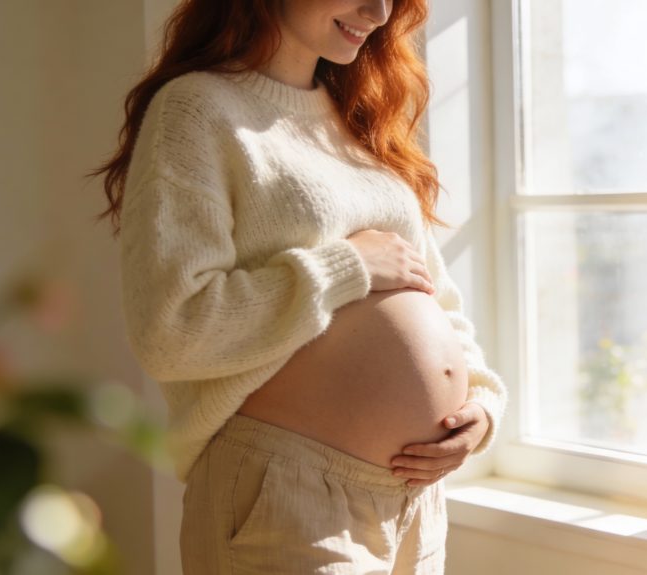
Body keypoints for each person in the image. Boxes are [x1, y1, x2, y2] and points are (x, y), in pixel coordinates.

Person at [94, 0, 506, 573]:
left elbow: (436, 295)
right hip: (287, 495)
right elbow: (171, 330)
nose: (380, 12)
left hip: (414, 503)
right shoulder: (196, 110)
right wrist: (345, 268)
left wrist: (481, 405)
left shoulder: (357, 120)